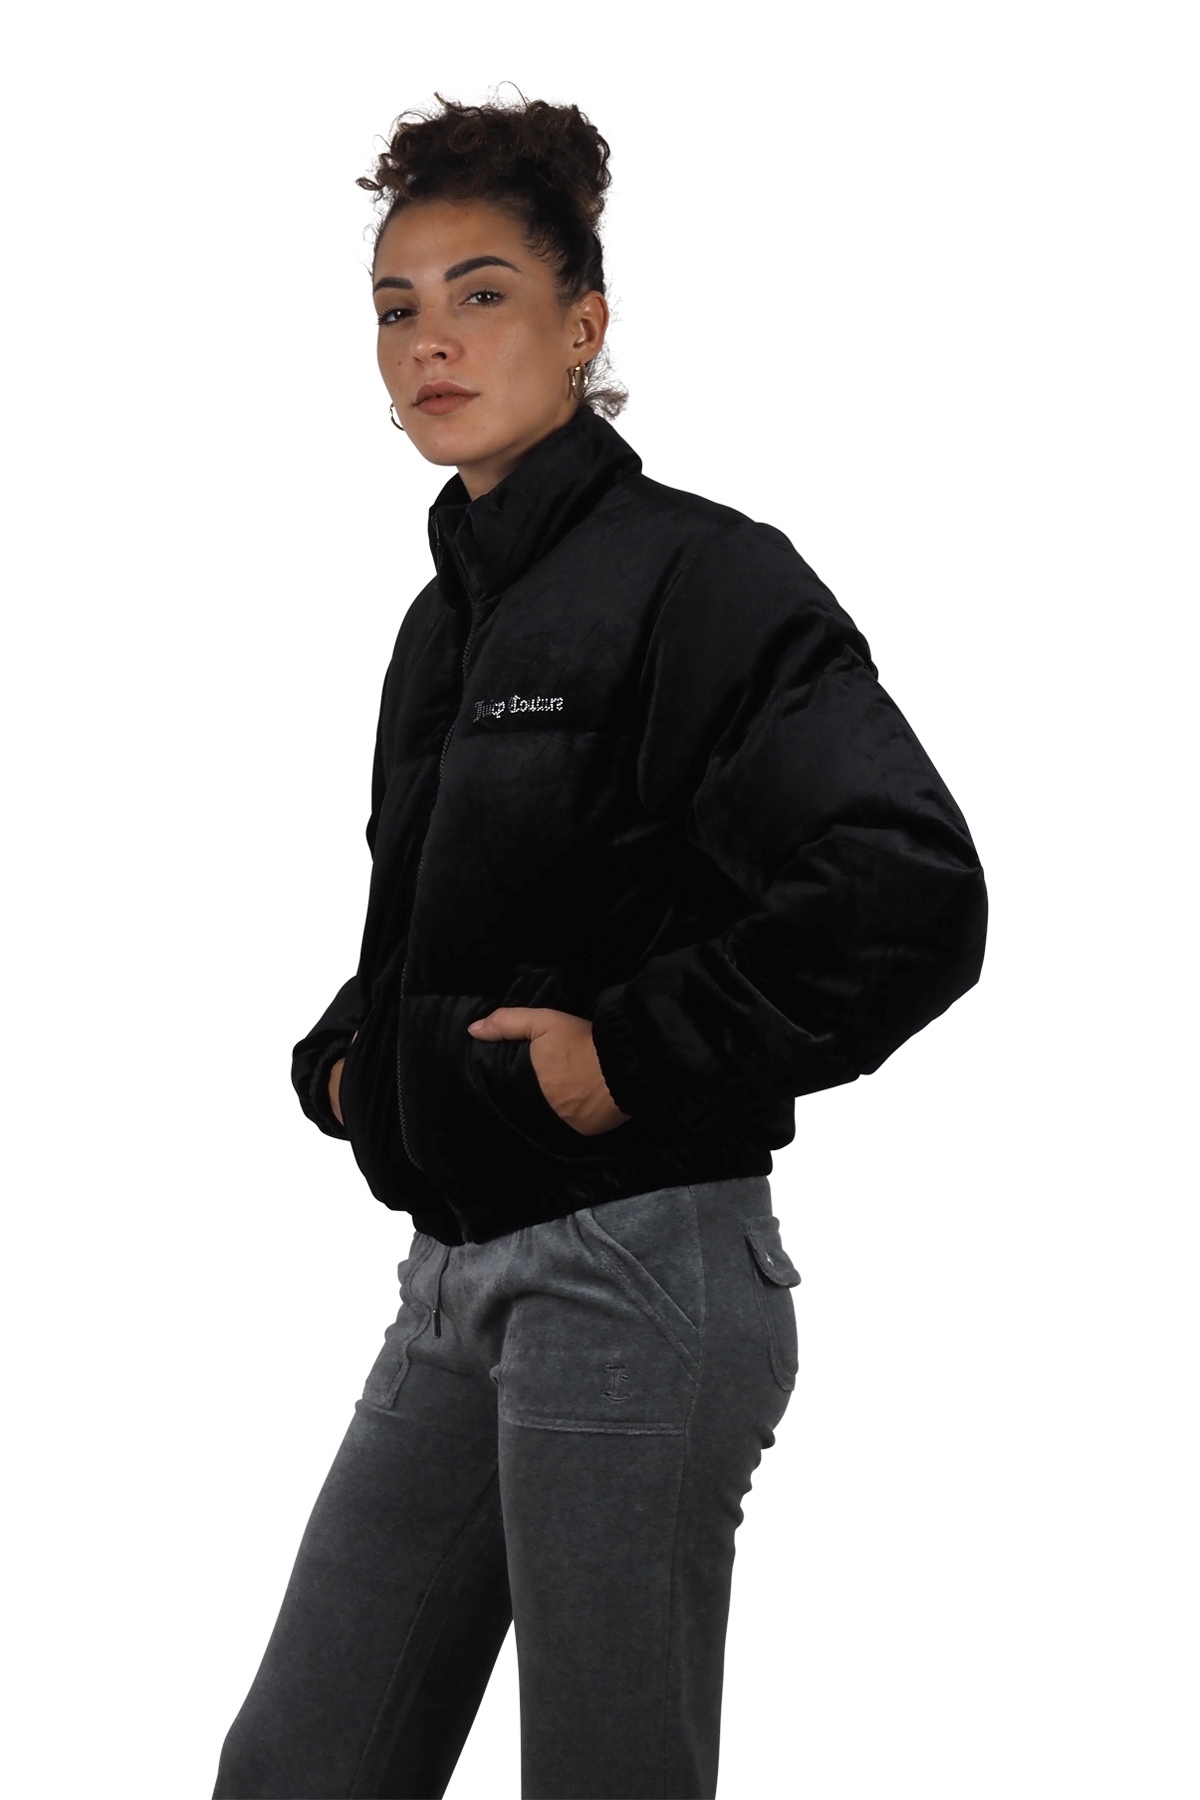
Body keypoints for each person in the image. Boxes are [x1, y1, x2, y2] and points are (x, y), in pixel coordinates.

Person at [212, 93, 988, 1800]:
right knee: (295, 1767)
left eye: (481, 294)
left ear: (585, 325)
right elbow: (464, 921)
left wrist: (622, 1058)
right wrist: (351, 1058)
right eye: (397, 307)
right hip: (452, 1277)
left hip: (639, 1268)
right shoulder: (443, 626)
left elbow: (909, 889)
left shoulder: (703, 576)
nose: (429, 342)